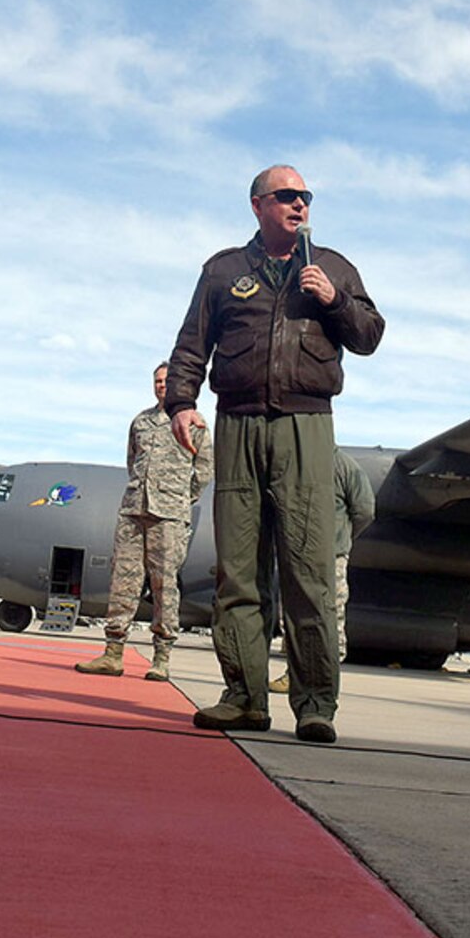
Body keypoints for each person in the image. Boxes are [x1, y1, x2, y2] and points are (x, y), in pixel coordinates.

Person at [165, 166, 384, 743]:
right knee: (238, 571)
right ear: (259, 205)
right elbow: (193, 344)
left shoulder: (333, 266)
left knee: (308, 569)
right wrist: (182, 404)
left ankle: (315, 704)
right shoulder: (223, 271)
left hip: (306, 425)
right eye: (288, 196)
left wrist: (334, 300)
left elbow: (369, 334)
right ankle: (243, 697)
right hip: (236, 423)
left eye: (306, 197)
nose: (300, 204)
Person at [76, 361, 211, 683]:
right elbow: (131, 461)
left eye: (167, 380)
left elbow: (205, 472)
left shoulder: (195, 425)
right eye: (158, 381)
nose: (162, 385)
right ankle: (112, 654)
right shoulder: (140, 421)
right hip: (134, 511)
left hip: (169, 515)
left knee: (165, 586)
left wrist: (179, 499)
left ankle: (161, 658)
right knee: (123, 582)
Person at [271, 447, 375, 693]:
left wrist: (341, 539)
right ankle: (294, 674)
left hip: (331, 556)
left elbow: (365, 510)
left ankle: (328, 677)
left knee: (331, 612)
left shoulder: (344, 465)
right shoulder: (294, 462)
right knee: (291, 614)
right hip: (296, 553)